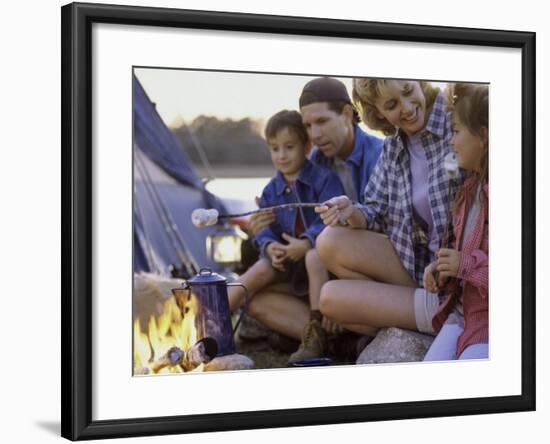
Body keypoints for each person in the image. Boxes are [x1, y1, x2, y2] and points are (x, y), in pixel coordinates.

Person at [314, 79, 463, 344]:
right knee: (328, 244)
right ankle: (416, 318)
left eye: (408, 91)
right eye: (392, 104)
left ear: (420, 82)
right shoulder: (394, 145)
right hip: (418, 273)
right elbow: (374, 211)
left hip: (458, 276)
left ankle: (438, 318)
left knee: (337, 302)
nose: (406, 108)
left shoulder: (456, 118)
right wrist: (349, 211)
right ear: (378, 111)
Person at [245, 77, 384, 362]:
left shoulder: (380, 155)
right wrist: (263, 227)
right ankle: (331, 340)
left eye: (322, 121)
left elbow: (387, 232)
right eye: (308, 126)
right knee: (258, 301)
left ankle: (331, 330)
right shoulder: (315, 161)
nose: (315, 134)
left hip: (365, 270)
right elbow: (286, 206)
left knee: (321, 251)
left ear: (347, 114)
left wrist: (336, 283)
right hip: (320, 270)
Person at [227, 110, 344, 360]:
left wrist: (306, 242)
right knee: (257, 283)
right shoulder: (271, 190)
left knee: (314, 255)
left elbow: (332, 220)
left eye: (289, 147)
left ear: (307, 145)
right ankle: (211, 324)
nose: (281, 155)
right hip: (288, 268)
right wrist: (269, 245)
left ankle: (316, 335)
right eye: (275, 148)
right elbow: (265, 229)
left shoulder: (324, 180)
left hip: (320, 271)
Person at [423, 83, 489, 361]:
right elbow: (460, 252)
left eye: (457, 131)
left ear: (484, 136)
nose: (451, 141)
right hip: (462, 315)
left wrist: (463, 264)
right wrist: (442, 268)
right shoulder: (469, 191)